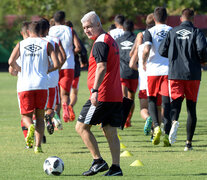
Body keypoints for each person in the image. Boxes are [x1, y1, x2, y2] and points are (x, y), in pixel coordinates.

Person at [75, 11, 123, 176]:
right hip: (115, 94)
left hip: (103, 95)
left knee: (81, 127)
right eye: (84, 28)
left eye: (89, 26)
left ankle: (98, 161)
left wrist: (94, 90)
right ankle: (116, 168)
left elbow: (101, 67)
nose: (86, 30)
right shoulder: (110, 40)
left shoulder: (101, 42)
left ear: (98, 24)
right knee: (110, 131)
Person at [159, 8, 207, 151]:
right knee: (191, 109)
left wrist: (175, 56)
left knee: (176, 103)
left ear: (181, 19)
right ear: (193, 19)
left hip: (175, 74)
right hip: (192, 75)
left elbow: (162, 50)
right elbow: (202, 49)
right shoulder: (197, 32)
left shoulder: (172, 32)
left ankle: (174, 121)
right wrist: (202, 61)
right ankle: (188, 143)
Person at [8, 21, 59, 153]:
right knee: (40, 117)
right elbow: (57, 63)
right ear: (41, 31)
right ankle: (38, 146)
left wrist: (20, 70)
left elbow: (10, 62)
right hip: (42, 84)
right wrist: (46, 70)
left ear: (29, 32)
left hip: (25, 85)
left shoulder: (21, 44)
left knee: (26, 116)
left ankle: (30, 127)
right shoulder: (46, 43)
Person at [142, 7, 172, 146]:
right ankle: (166, 131)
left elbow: (147, 49)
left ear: (154, 19)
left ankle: (156, 126)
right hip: (168, 71)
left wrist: (143, 61)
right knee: (166, 102)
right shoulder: (171, 30)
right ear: (166, 18)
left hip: (153, 71)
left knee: (152, 101)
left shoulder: (149, 31)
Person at [129, 13, 157, 136]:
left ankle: (147, 118)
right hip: (158, 79)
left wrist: (140, 68)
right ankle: (155, 129)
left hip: (144, 82)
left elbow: (131, 63)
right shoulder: (158, 42)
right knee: (158, 107)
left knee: (143, 108)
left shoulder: (141, 46)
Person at [38, 18, 65, 133]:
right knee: (54, 105)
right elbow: (62, 58)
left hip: (38, 78)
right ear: (48, 28)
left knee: (38, 107)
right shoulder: (55, 40)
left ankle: (37, 129)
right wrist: (57, 69)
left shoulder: (32, 41)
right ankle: (50, 117)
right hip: (52, 77)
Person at [49, 11, 74, 123]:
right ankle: (65, 106)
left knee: (56, 93)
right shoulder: (68, 29)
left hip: (55, 64)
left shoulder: (50, 30)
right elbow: (74, 45)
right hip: (68, 64)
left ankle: (56, 117)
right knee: (65, 94)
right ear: (64, 19)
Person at [116, 19, 138, 128]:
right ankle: (128, 120)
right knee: (131, 99)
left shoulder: (118, 40)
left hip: (122, 72)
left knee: (123, 98)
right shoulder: (136, 39)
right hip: (134, 72)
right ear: (133, 28)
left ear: (123, 28)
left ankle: (123, 120)